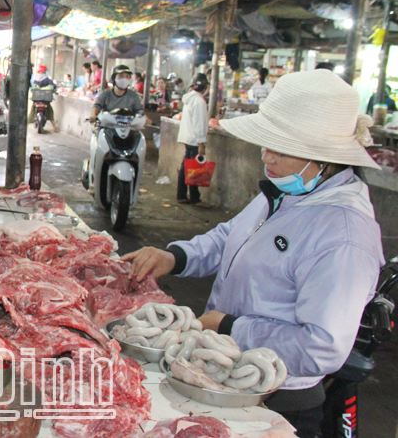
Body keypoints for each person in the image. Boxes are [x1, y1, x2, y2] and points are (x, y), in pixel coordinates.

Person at [122, 69, 384, 437]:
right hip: (224, 373)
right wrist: (176, 257)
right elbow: (231, 236)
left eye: (281, 148)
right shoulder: (287, 193)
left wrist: (229, 326)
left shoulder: (343, 235)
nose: (266, 156)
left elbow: (322, 347)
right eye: (266, 143)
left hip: (275, 399)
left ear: (324, 157)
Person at [177, 73, 210, 206]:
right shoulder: (199, 101)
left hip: (188, 137)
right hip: (194, 139)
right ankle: (195, 198)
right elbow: (199, 124)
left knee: (187, 167)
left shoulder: (190, 99)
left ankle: (182, 195)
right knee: (193, 169)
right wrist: (201, 143)